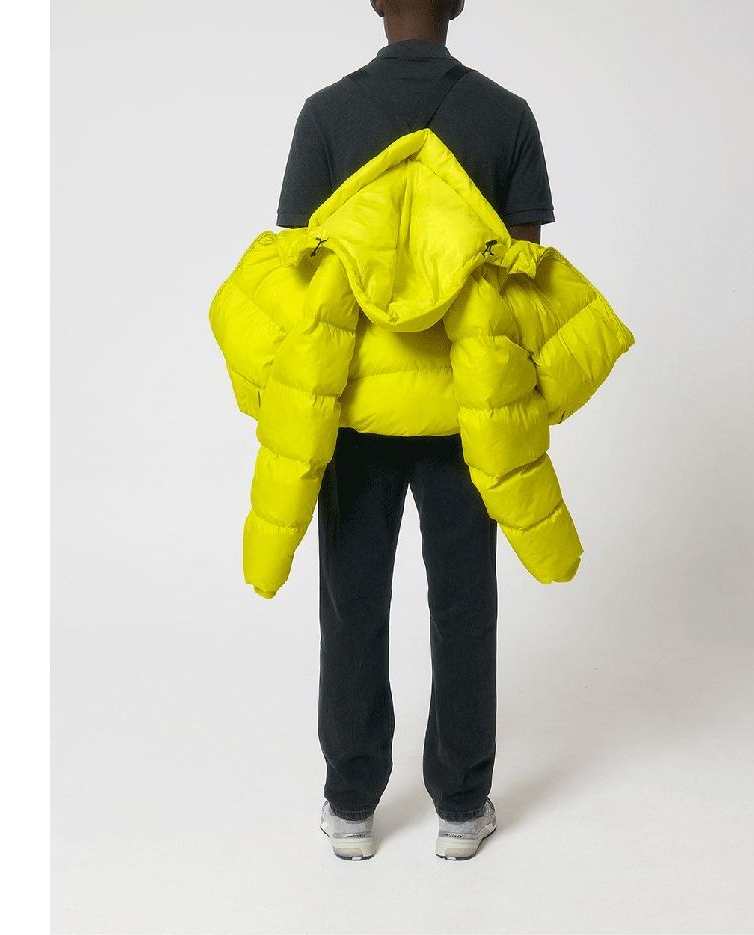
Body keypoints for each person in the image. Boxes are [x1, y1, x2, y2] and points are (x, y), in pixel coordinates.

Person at [209, 0, 634, 862]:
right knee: (464, 605)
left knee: (350, 605)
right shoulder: (505, 116)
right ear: (458, 4)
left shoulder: (326, 114)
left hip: (354, 411)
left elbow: (297, 268)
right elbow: (521, 274)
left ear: (375, 2)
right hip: (466, 417)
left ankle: (350, 803)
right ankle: (461, 805)